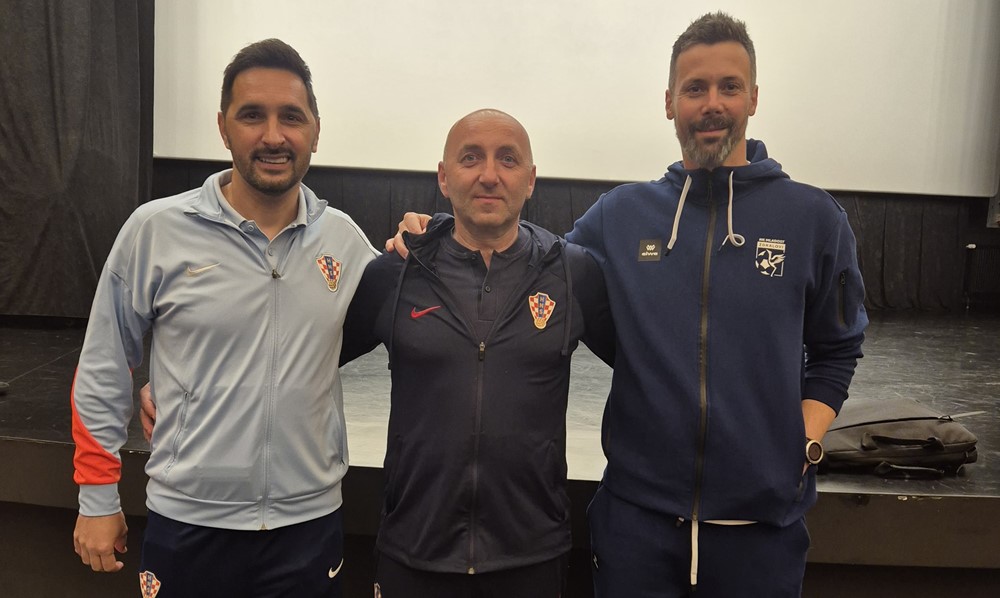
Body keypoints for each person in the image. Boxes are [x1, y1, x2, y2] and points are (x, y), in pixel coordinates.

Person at [389, 12, 868, 597]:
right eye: (694, 88)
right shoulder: (621, 216)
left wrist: (804, 444)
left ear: (753, 98)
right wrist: (442, 232)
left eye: (729, 87)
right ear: (669, 102)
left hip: (762, 533)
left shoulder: (814, 219)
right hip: (638, 528)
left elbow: (837, 349)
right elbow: (525, 260)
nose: (712, 104)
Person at [71, 39, 378, 597]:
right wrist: (97, 497)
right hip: (188, 524)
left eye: (292, 117)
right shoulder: (155, 230)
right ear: (222, 127)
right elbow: (103, 365)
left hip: (308, 527)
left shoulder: (345, 242)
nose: (273, 136)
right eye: (252, 115)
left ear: (315, 130)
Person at [344, 109, 613, 596]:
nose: (489, 174)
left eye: (508, 159)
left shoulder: (573, 274)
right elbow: (308, 357)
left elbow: (646, 366)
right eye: (471, 158)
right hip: (414, 551)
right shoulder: (395, 273)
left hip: (532, 555)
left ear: (530, 180)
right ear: (444, 177)